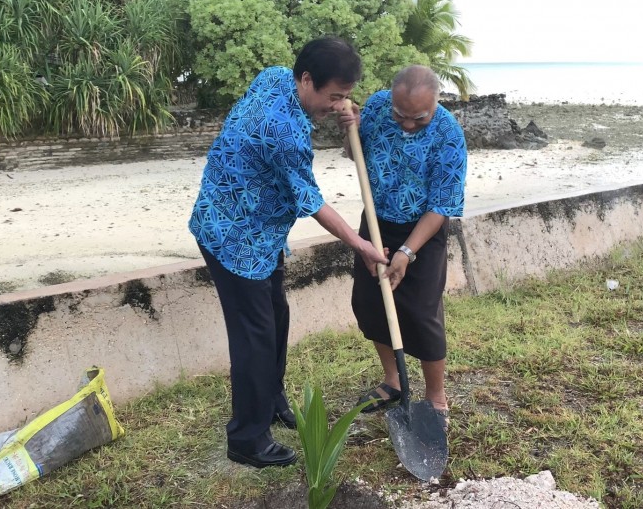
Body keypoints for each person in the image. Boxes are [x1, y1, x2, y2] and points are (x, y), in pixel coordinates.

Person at [189, 37, 387, 469]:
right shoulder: (284, 133)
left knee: (275, 318)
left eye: (346, 96)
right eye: (333, 97)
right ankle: (247, 437)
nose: (338, 104)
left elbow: (307, 113)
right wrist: (362, 246)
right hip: (232, 235)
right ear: (307, 79)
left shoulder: (277, 75)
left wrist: (343, 112)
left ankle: (272, 398)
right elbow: (310, 201)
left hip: (260, 230)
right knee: (254, 338)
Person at [342, 65, 467, 426]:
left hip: (422, 232)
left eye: (418, 118)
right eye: (401, 115)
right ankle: (393, 381)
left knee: (421, 312)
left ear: (436, 103)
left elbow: (442, 207)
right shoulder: (380, 107)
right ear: (391, 98)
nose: (407, 124)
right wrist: (347, 131)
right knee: (368, 302)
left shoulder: (448, 135)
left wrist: (407, 252)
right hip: (377, 224)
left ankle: (436, 398)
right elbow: (357, 156)